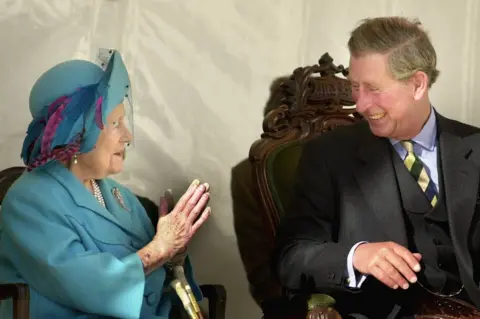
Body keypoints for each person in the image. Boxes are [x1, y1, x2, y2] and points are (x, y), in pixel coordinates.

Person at [274, 16, 480, 318]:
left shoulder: (475, 147)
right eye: (355, 87)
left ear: (417, 84)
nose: (360, 104)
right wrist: (356, 255)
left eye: (373, 89)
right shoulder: (328, 155)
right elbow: (290, 258)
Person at [0, 49, 211, 319]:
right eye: (115, 123)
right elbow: (83, 282)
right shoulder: (29, 200)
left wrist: (174, 255)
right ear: (78, 133)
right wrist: (160, 248)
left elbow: (159, 275)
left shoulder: (118, 195)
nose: (127, 135)